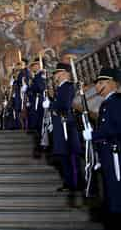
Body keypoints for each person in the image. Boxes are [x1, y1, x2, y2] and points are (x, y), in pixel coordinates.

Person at [83, 68, 121, 230]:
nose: (97, 87)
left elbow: (117, 128)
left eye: (101, 83)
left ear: (112, 83)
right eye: (97, 83)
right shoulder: (108, 103)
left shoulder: (116, 102)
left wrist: (94, 134)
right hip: (107, 154)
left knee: (115, 191)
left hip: (115, 154)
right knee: (110, 191)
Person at [43, 63, 81, 192]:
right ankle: (68, 182)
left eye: (57, 73)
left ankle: (74, 184)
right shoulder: (61, 88)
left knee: (70, 156)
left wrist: (52, 105)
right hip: (61, 125)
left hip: (66, 125)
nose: (55, 76)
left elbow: (65, 105)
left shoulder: (67, 87)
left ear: (65, 73)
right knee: (64, 156)